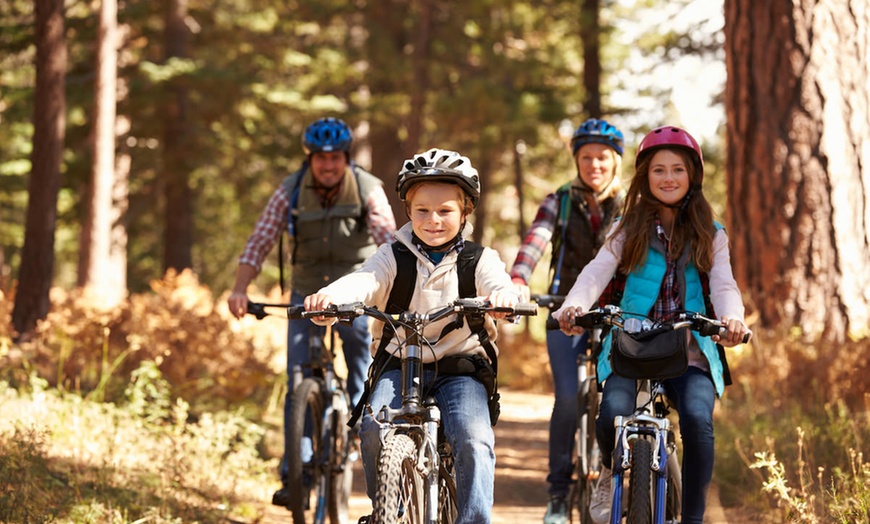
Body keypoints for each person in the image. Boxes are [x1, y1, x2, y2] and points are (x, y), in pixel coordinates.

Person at [305, 148, 521, 524]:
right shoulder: (392, 256)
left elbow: (500, 284)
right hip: (398, 364)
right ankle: (389, 510)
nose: (432, 220)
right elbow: (364, 279)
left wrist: (504, 299)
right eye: (422, 210)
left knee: (473, 438)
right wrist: (330, 297)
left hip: (461, 368)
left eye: (445, 211)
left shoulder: (478, 260)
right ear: (408, 210)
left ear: (466, 211)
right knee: (374, 428)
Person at [552, 125, 752, 524]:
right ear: (645, 176)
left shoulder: (711, 233)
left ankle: (693, 519)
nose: (668, 178)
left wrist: (732, 319)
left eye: (678, 169)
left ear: (692, 176)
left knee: (697, 420)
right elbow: (597, 271)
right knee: (611, 414)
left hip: (689, 349)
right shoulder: (628, 226)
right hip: (630, 347)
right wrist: (573, 307)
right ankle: (609, 471)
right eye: (659, 170)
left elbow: (724, 284)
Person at [227, 117, 397, 508]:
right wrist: (239, 289)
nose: (328, 165)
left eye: (335, 158)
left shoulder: (368, 189)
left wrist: (395, 290)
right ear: (310, 160)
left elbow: (389, 241)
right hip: (306, 293)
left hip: (353, 290)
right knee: (298, 377)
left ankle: (355, 432)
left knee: (362, 362)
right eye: (321, 158)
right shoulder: (290, 190)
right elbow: (259, 241)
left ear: (346, 158)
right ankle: (297, 475)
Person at [508, 118, 625, 524]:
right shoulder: (559, 200)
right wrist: (519, 278)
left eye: (602, 158)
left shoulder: (630, 203)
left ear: (616, 161)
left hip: (615, 312)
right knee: (568, 398)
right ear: (576, 160)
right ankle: (558, 494)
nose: (594, 165)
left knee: (617, 399)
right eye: (586, 157)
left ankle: (618, 479)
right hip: (563, 308)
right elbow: (536, 240)